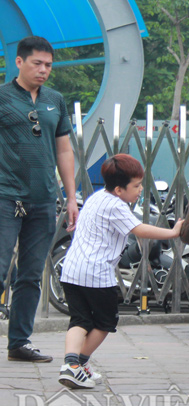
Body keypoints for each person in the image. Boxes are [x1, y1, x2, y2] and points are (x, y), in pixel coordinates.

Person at [57, 154, 184, 389]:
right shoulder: (116, 205)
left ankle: (71, 364)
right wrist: (173, 233)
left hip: (72, 271)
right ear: (118, 189)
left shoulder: (97, 198)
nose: (139, 191)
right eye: (136, 186)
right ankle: (79, 364)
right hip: (95, 273)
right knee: (106, 322)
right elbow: (139, 230)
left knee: (80, 320)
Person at [0, 36, 79, 363]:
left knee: (31, 274)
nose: (44, 70)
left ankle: (19, 342)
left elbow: (63, 149)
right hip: (5, 196)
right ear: (19, 62)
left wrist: (71, 197)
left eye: (48, 65)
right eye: (37, 63)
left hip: (44, 198)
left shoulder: (55, 100)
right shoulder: (3, 97)